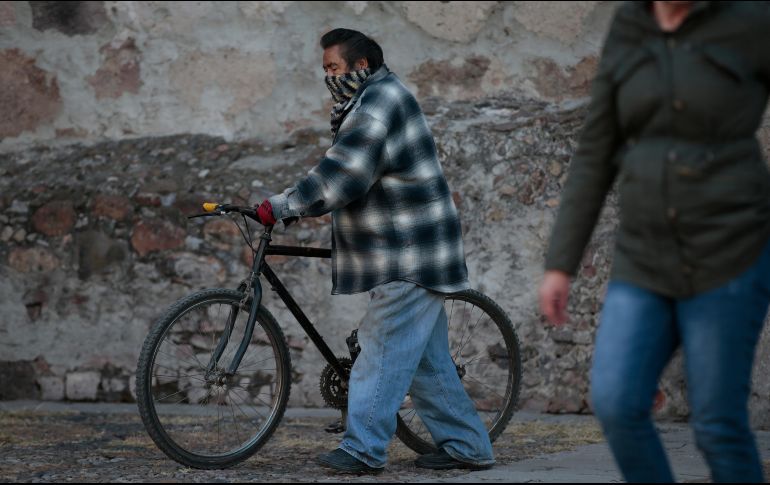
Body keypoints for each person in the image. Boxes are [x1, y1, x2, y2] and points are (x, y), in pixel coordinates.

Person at [539, 1, 770, 482]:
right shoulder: (629, 24)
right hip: (643, 257)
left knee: (717, 424)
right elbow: (596, 148)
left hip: (729, 252)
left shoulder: (751, 19)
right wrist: (561, 263)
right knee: (617, 401)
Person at [253, 28, 494, 474]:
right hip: (409, 249)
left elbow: (344, 173)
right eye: (325, 69)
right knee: (426, 363)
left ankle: (363, 449)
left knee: (379, 349)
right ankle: (468, 446)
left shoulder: (379, 102)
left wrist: (284, 205)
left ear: (361, 65)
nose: (329, 77)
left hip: (408, 252)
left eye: (334, 68)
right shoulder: (370, 98)